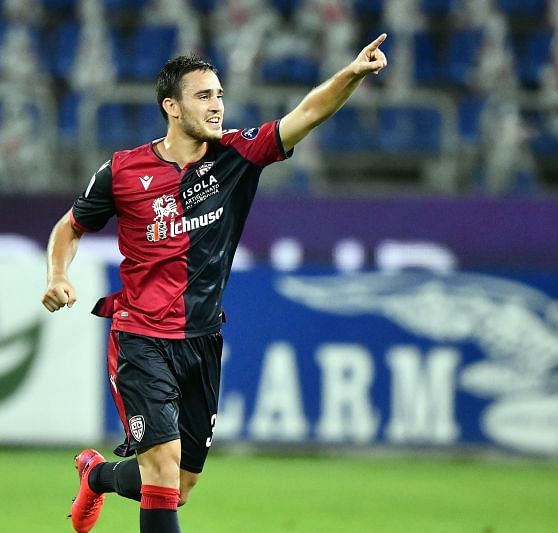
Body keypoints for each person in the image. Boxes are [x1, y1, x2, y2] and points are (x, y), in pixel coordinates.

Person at [42, 34, 388, 533]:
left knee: (177, 487)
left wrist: (351, 74)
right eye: (204, 96)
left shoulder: (236, 156)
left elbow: (307, 114)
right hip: (140, 337)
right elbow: (70, 226)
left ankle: (96, 476)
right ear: (172, 107)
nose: (217, 105)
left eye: (220, 95)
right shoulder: (122, 170)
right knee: (160, 471)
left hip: (201, 339)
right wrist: (58, 274)